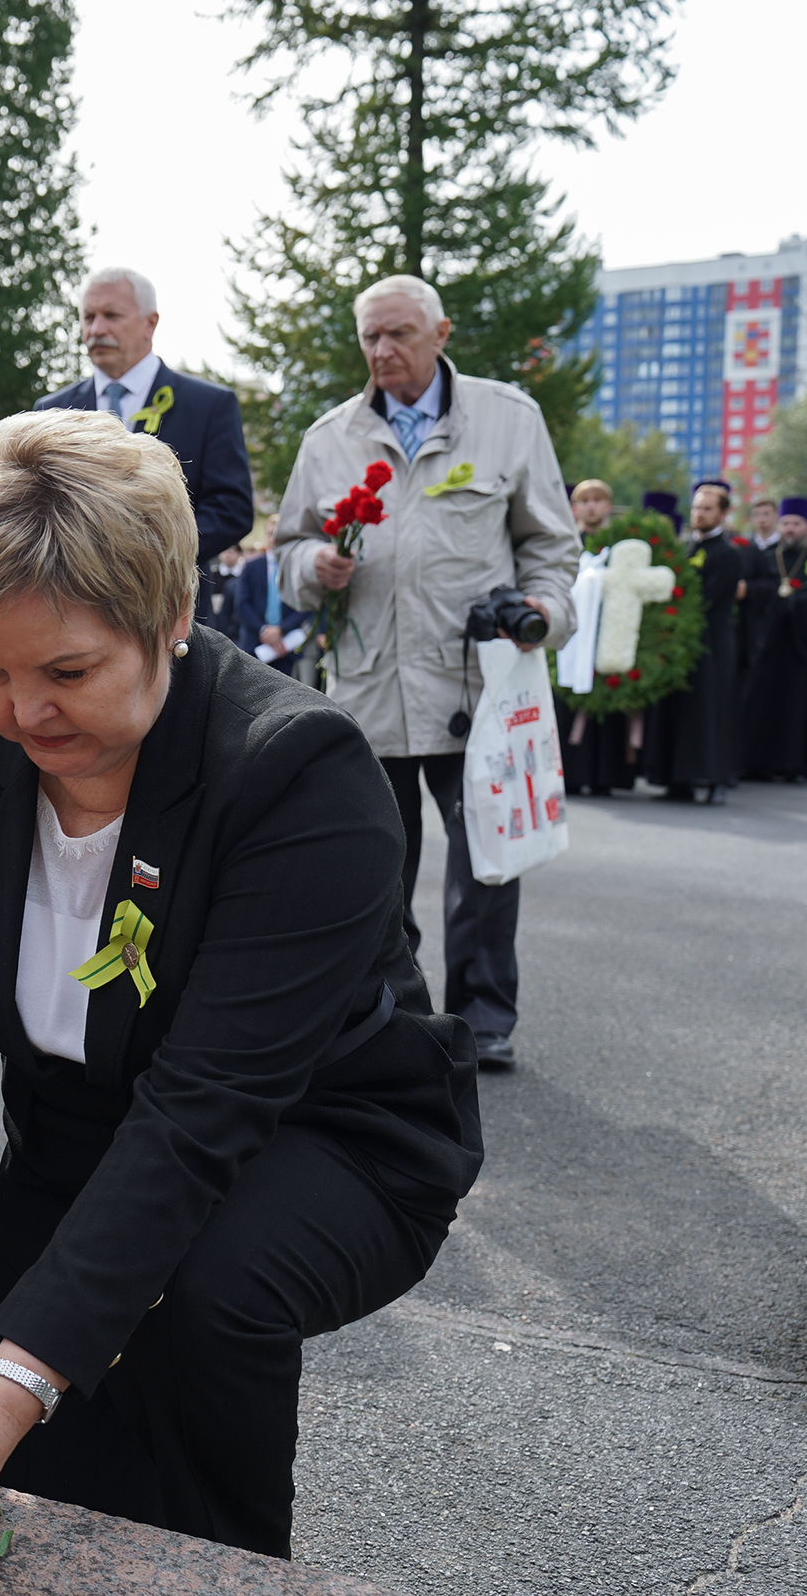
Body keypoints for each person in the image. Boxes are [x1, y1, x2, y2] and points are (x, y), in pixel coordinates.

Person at [0, 410, 482, 1556]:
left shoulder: (296, 775)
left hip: (322, 1131)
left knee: (191, 1307)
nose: (24, 716)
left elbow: (202, 1108)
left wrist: (11, 1383)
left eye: (67, 672)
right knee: (44, 1466)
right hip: (77, 1128)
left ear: (169, 618)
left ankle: (218, 1569)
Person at [274, 274, 578, 1073]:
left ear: (441, 333)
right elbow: (284, 553)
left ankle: (482, 1018)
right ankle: (392, 1012)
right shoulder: (329, 438)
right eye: (370, 337)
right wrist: (314, 566)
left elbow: (552, 548)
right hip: (367, 689)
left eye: (400, 334)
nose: (382, 352)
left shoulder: (509, 420)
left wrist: (544, 613)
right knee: (376, 863)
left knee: (487, 859)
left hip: (476, 685)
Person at [31, 268, 254, 563]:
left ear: (150, 324)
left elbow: (231, 510)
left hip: (171, 599)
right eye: (88, 317)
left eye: (111, 316)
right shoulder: (51, 412)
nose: (96, 329)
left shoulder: (208, 405)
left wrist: (146, 560)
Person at [640, 481, 746, 803]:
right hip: (679, 644)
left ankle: (715, 781)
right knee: (679, 710)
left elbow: (707, 599)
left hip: (712, 643)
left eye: (708, 508)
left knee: (710, 711)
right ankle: (677, 780)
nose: (700, 514)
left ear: (724, 514)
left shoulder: (728, 553)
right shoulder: (685, 548)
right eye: (697, 508)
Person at [742, 499, 807, 782]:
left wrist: (799, 606)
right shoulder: (764, 558)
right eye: (786, 523)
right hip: (767, 645)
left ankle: (794, 765)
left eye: (796, 524)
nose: (789, 529)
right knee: (760, 703)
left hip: (803, 650)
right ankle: (755, 763)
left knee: (797, 708)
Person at [559, 479, 634, 797]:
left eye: (598, 500)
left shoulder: (623, 545)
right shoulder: (564, 542)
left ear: (608, 506)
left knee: (609, 701)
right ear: (574, 507)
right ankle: (571, 774)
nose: (591, 506)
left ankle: (607, 775)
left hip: (609, 632)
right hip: (572, 635)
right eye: (584, 500)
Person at [232, 523, 311, 675]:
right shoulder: (252, 566)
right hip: (255, 643)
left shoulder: (295, 567)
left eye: (277, 533)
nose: (274, 538)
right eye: (270, 533)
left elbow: (305, 603)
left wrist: (281, 630)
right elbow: (242, 604)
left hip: (286, 644)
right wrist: (264, 630)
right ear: (266, 537)